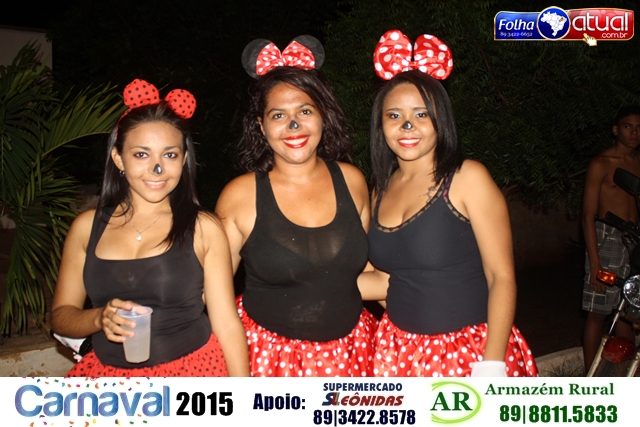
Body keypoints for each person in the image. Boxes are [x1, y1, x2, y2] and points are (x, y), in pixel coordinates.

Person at [362, 30, 538, 377]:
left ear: (440, 119)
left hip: (469, 352)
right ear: (380, 125)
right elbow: (385, 280)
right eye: (394, 115)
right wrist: (307, 281)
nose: (407, 125)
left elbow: (501, 276)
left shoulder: (467, 178)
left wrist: (492, 363)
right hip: (399, 351)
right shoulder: (379, 190)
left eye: (421, 114)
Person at [51, 79, 249, 377]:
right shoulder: (86, 228)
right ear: (118, 158)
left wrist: (243, 397)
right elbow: (61, 316)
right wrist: (99, 318)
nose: (157, 169)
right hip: (109, 380)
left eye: (169, 155)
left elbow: (226, 323)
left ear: (184, 160)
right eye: (141, 154)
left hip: (192, 373)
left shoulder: (203, 228)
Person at [215, 36, 377, 377]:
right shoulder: (239, 196)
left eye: (304, 111)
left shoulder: (353, 182)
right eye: (279, 115)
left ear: (322, 116)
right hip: (268, 360)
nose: (294, 126)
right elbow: (209, 295)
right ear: (261, 126)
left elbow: (358, 273)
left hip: (353, 354)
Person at [581, 106, 640, 372]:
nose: (634, 133)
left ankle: (625, 373)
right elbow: (587, 216)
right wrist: (595, 265)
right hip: (608, 238)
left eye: (638, 128)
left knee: (629, 309)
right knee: (599, 312)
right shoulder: (601, 163)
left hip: (634, 240)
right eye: (628, 127)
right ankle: (590, 376)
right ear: (616, 130)